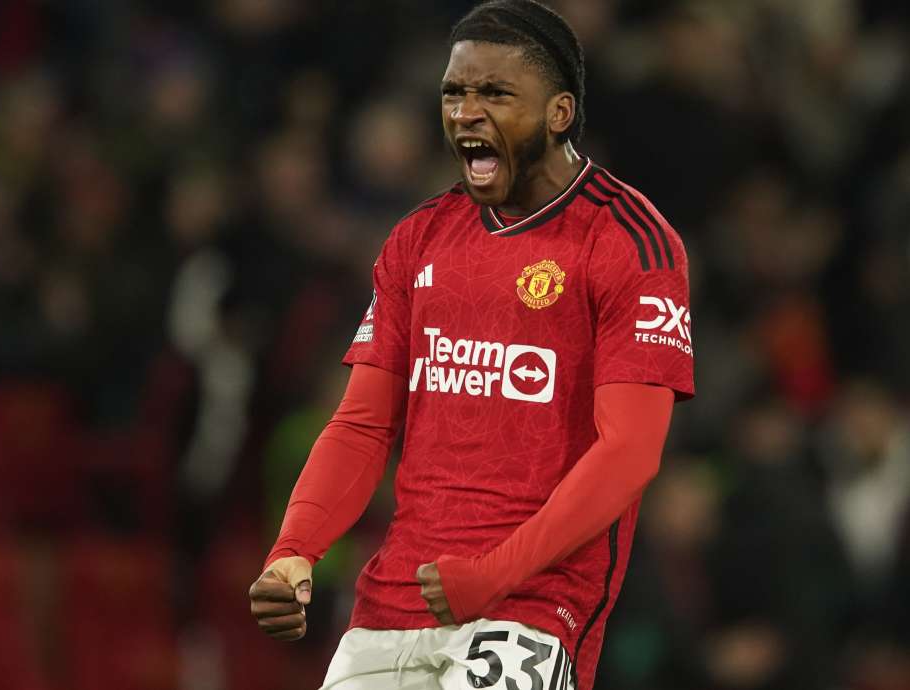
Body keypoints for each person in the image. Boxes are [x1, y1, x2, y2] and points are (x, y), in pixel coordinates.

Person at [247, 2, 695, 689]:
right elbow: (364, 423)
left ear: (558, 112)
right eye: (454, 92)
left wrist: (494, 575)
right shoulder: (418, 238)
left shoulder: (628, 239)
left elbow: (630, 452)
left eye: (494, 93)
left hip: (533, 607)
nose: (465, 112)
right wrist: (295, 549)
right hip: (392, 604)